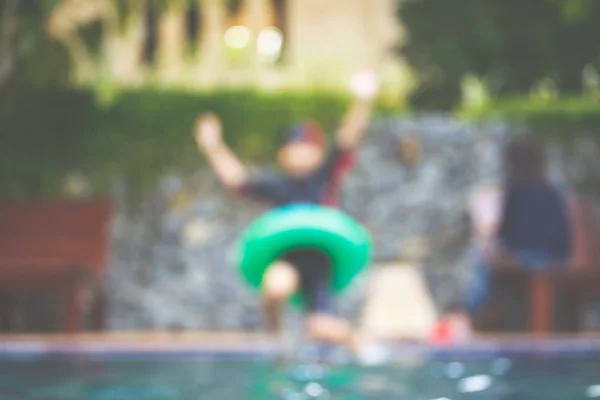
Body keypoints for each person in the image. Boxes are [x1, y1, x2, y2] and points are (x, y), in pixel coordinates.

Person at [194, 71, 380, 356]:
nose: (298, 154)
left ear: (317, 153)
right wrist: (212, 145)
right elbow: (237, 180)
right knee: (275, 286)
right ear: (282, 154)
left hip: (321, 259)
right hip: (288, 255)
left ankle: (361, 344)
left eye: (305, 148)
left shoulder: (324, 178)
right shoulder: (277, 185)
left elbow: (348, 138)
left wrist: (363, 99)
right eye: (292, 148)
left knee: (319, 326)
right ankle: (277, 341)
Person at [437, 137, 572, 341]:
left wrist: (494, 245)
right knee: (492, 266)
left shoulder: (516, 188)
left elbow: (507, 232)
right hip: (557, 255)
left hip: (529, 257)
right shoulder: (552, 189)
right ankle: (475, 317)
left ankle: (465, 315)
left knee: (483, 263)